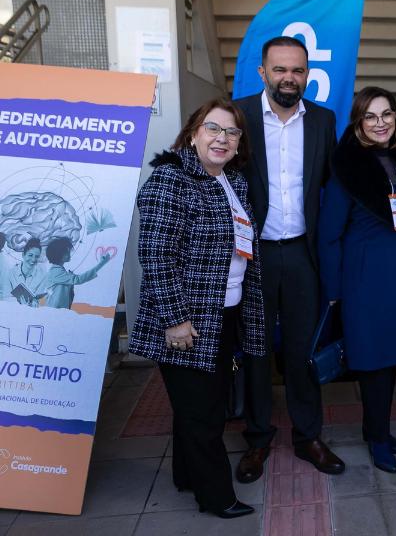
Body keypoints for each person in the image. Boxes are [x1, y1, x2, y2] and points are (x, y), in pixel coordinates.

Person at [128, 98, 265, 519]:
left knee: (199, 405)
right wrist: (175, 320)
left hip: (224, 313)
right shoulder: (170, 180)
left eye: (232, 132)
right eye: (213, 128)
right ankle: (216, 496)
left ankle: (186, 475)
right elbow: (155, 254)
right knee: (203, 412)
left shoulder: (232, 181)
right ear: (192, 133)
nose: (222, 138)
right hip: (188, 320)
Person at [234, 35, 344, 482]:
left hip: (302, 253)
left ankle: (308, 436)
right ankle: (258, 438)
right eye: (280, 70)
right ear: (263, 73)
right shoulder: (236, 116)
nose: (289, 78)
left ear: (307, 74)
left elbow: (335, 186)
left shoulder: (323, 120)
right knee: (256, 349)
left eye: (297, 70)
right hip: (253, 256)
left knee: (302, 350)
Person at [318, 86, 396, 473]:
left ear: (395, 119)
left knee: (393, 356)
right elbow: (329, 234)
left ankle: (377, 428)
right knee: (373, 361)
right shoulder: (346, 169)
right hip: (365, 281)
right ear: (358, 122)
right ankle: (377, 437)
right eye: (370, 116)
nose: (379, 123)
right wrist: (333, 291)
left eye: (386, 115)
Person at [44, 237, 111, 309]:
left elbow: (75, 280)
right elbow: (78, 279)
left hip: (58, 310)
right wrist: (101, 264)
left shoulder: (58, 270)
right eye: (66, 252)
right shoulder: (56, 271)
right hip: (54, 311)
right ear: (58, 254)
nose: (69, 254)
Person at [4, 237, 48, 306]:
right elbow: (6, 297)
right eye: (30, 255)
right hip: (14, 311)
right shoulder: (11, 273)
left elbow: (41, 300)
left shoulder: (43, 275)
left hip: (34, 313)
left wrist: (35, 303)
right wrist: (19, 304)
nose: (33, 259)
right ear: (23, 255)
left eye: (36, 256)